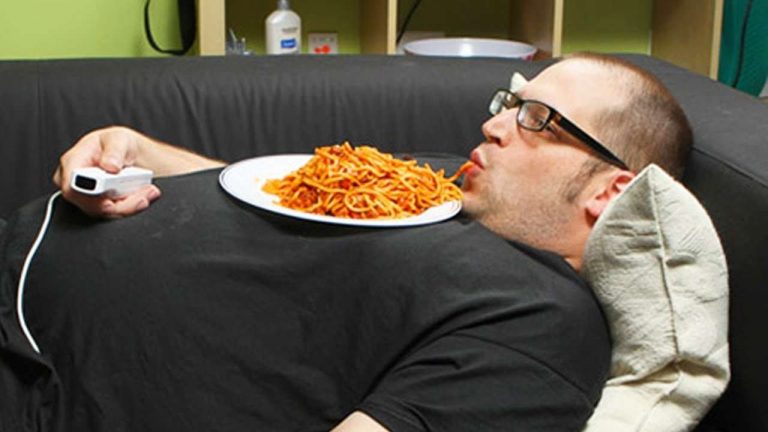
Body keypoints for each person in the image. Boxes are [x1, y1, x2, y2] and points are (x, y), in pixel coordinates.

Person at [3, 53, 691, 431]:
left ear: (608, 191)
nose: (494, 126)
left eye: (538, 119)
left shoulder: (545, 327)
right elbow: (283, 195)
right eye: (507, 105)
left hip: (30, 374)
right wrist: (138, 150)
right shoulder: (442, 188)